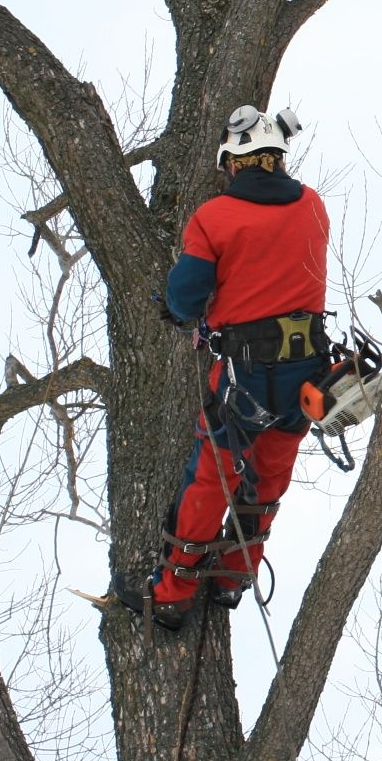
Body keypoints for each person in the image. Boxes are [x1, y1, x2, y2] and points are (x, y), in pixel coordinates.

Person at [112, 105, 330, 629]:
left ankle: (172, 592)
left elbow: (186, 298)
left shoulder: (214, 219)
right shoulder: (314, 207)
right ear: (277, 157)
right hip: (307, 371)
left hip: (246, 374)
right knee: (271, 475)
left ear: (233, 163)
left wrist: (186, 309)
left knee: (212, 478)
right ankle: (235, 575)